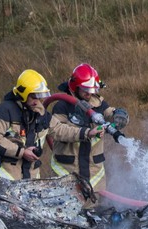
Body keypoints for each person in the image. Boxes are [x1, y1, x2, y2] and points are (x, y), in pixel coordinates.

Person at [48, 63, 130, 194]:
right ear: (75, 87)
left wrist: (118, 115)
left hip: (94, 172)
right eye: (86, 89)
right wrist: (86, 133)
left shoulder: (98, 104)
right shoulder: (62, 105)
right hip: (68, 170)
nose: (89, 93)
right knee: (67, 210)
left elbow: (109, 113)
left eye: (92, 90)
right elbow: (57, 131)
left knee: (96, 211)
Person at [0, 69, 52, 181]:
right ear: (24, 94)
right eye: (34, 97)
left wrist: (87, 132)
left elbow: (61, 129)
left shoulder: (39, 111)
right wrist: (22, 152)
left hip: (31, 176)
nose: (37, 101)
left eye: (39, 97)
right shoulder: (5, 110)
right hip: (7, 177)